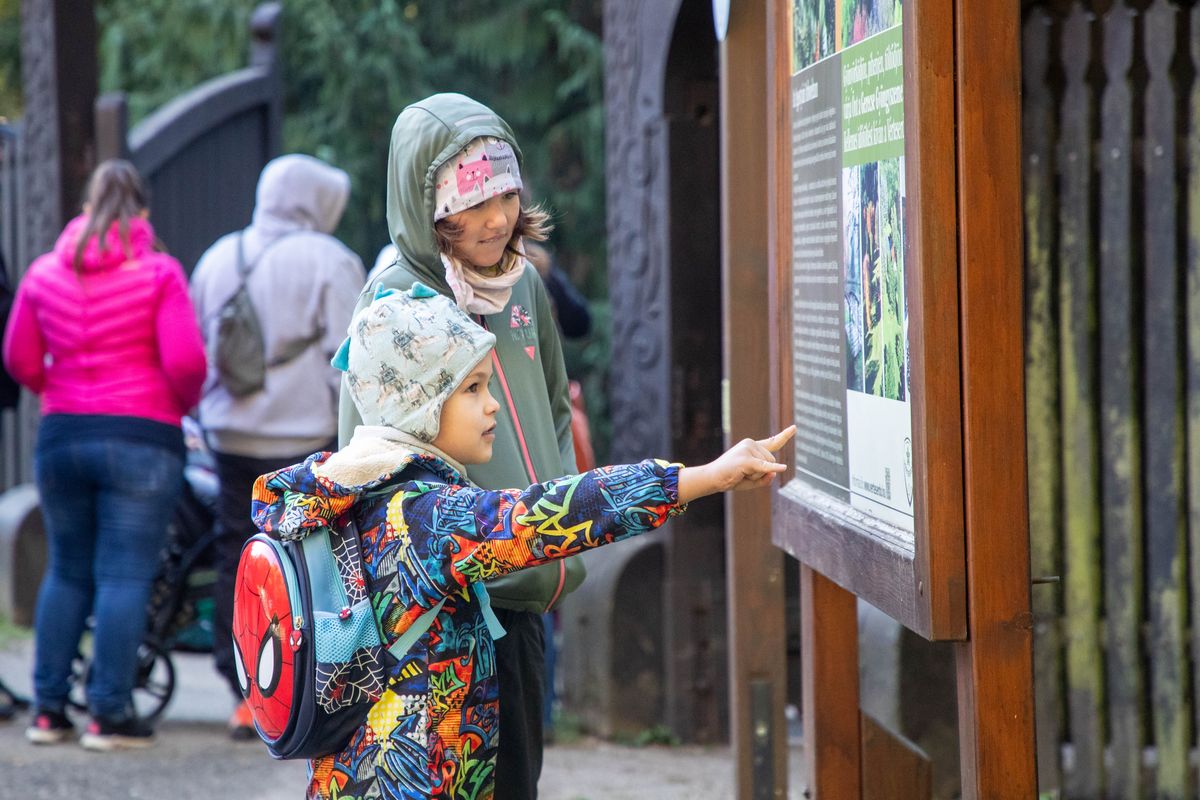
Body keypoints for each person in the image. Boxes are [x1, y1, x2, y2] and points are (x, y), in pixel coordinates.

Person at [252, 283, 793, 799]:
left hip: (348, 773)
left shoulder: (347, 492)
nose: (493, 406)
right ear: (419, 402)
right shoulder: (424, 517)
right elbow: (554, 515)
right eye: (472, 388)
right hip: (415, 783)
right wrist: (703, 477)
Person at [341, 93, 584, 798]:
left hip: (529, 580)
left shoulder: (523, 285)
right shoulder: (397, 298)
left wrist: (558, 523)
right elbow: (364, 448)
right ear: (426, 205)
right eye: (471, 204)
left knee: (518, 780)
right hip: (453, 601)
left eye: (505, 196)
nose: (497, 219)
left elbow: (553, 408)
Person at [2, 159, 207, 749]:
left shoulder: (44, 274)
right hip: (143, 437)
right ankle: (109, 712)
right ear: (142, 213)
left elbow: (17, 358)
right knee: (124, 573)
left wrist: (59, 390)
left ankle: (47, 711)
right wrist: (178, 404)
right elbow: (188, 363)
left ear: (86, 210)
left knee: (67, 568)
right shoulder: (160, 273)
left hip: (63, 435)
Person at [190, 153, 365, 737]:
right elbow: (348, 364)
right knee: (306, 560)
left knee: (236, 552)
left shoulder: (217, 256)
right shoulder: (330, 260)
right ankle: (303, 688)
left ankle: (243, 689)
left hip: (229, 437)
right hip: (304, 437)